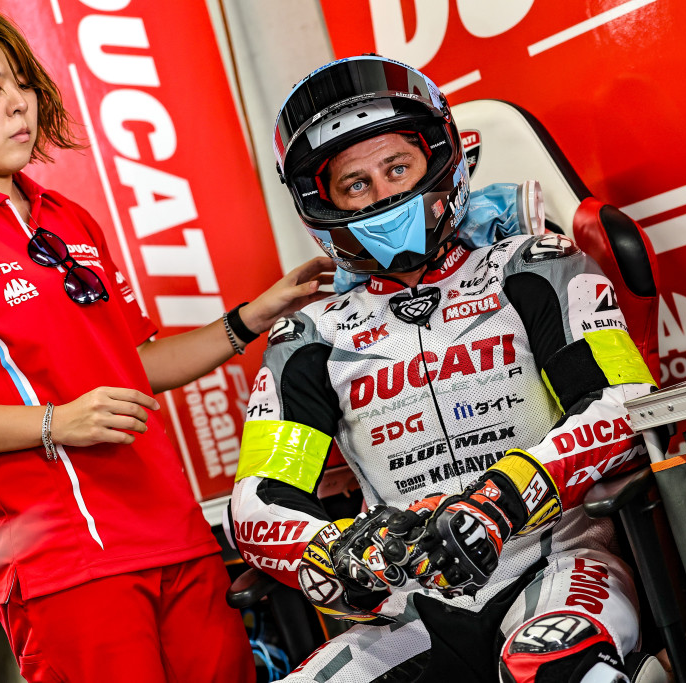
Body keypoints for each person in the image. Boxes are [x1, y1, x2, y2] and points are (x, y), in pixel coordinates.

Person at [0, 5, 332, 683]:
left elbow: (135, 364)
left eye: (22, 83)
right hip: (65, 563)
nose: (18, 104)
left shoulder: (68, 218)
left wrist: (251, 315)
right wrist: (54, 422)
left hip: (176, 535)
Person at [230, 55, 663, 682]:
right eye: (356, 184)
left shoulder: (537, 266)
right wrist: (332, 550)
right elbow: (258, 501)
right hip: (408, 609)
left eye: (397, 167)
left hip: (555, 562)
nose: (385, 195)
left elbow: (623, 405)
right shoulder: (307, 339)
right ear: (321, 203)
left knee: (549, 669)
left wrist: (503, 497)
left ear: (440, 160)